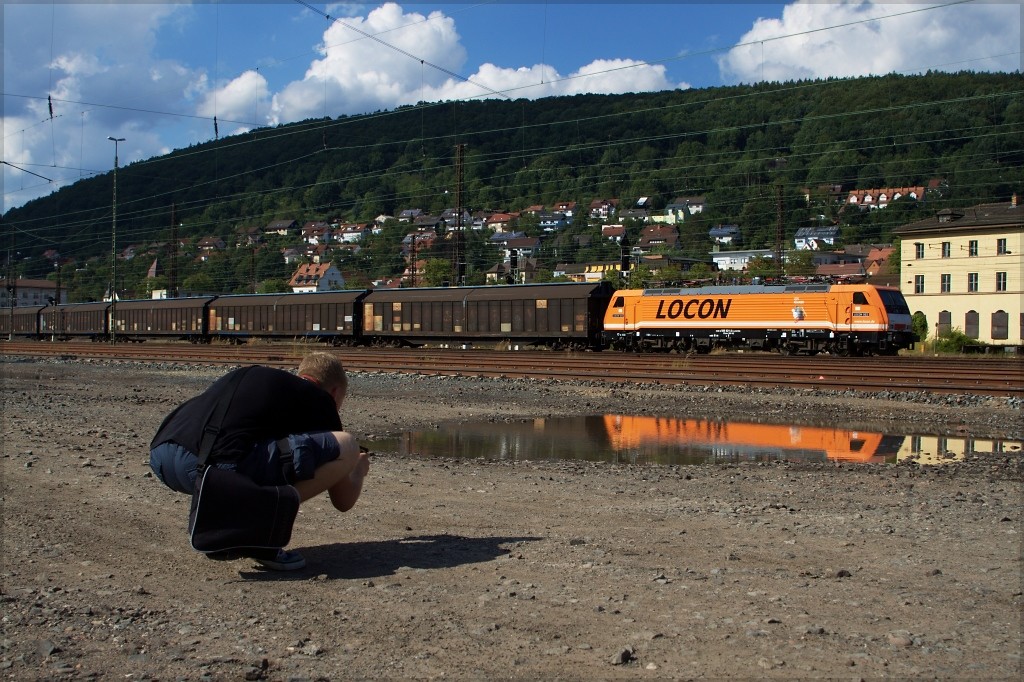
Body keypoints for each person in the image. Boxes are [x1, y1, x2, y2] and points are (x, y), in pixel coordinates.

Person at [149, 351, 369, 570]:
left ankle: (234, 522)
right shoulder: (319, 400)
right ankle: (259, 532)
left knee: (273, 453)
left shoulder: (264, 383)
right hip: (209, 469)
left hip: (163, 457)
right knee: (346, 445)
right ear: (335, 391)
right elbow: (343, 501)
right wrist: (356, 469)